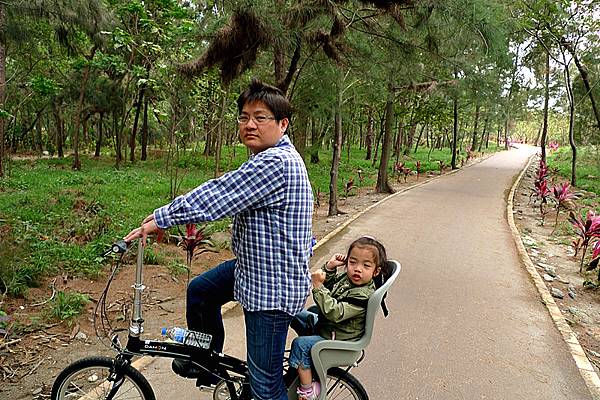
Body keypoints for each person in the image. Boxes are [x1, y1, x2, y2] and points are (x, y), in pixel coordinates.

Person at [124, 78, 314, 400]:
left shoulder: (276, 163)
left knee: (265, 386)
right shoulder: (267, 157)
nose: (250, 124)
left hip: (271, 289)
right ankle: (204, 361)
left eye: (260, 117)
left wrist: (162, 219)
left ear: (282, 124)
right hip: (254, 269)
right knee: (201, 292)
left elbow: (220, 194)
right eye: (244, 117)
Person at [288, 236, 387, 400]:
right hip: (330, 327)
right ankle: (295, 367)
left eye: (366, 265)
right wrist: (330, 268)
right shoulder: (350, 280)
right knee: (293, 312)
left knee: (300, 345)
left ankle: (307, 391)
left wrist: (318, 287)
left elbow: (335, 312)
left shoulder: (362, 295)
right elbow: (330, 286)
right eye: (353, 262)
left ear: (376, 271)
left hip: (337, 338)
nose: (357, 269)